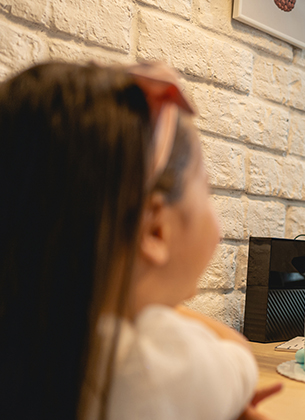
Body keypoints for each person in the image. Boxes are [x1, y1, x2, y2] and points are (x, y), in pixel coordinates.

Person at [0, 62, 280, 420]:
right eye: (207, 188)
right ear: (154, 230)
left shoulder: (28, 342)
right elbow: (240, 358)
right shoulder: (154, 364)